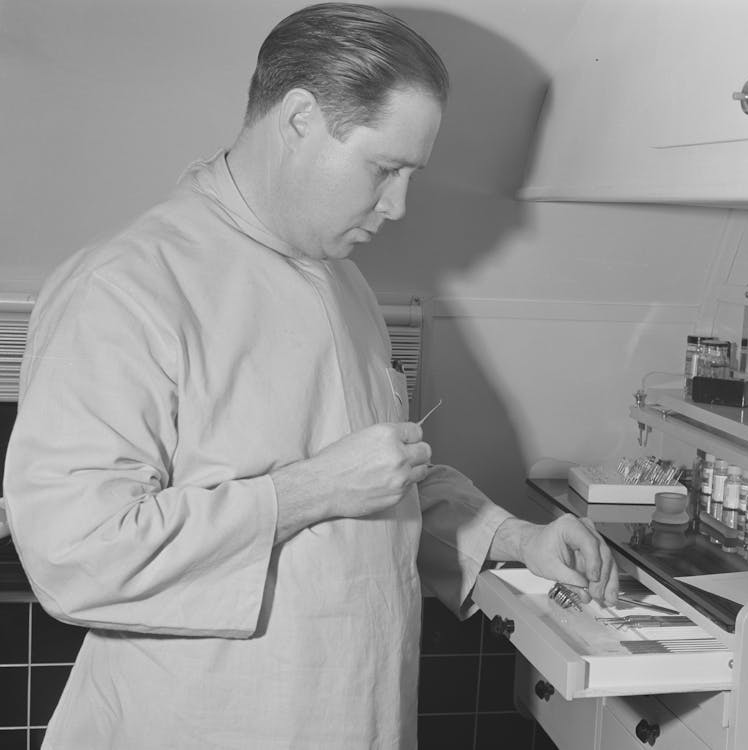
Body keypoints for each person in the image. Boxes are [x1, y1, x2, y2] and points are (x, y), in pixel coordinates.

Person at [2, 4, 618, 749]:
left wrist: (516, 538)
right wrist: (313, 488)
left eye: (410, 175)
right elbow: (76, 556)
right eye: (384, 169)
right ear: (299, 118)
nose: (398, 206)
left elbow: (381, 484)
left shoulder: (343, 281)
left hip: (360, 713)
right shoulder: (125, 286)